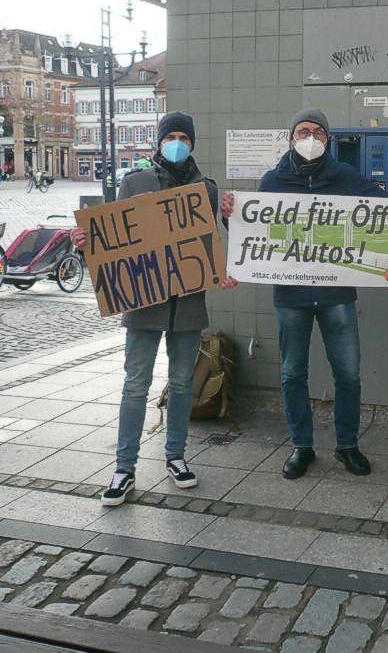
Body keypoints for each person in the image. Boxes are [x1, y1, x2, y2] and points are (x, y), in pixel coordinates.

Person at [70, 111, 237, 506]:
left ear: (192, 143)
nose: (176, 142)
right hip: (144, 302)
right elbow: (112, 238)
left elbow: (219, 238)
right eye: (170, 136)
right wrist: (84, 241)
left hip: (189, 303)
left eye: (183, 136)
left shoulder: (206, 190)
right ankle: (124, 468)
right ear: (159, 142)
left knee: (182, 384)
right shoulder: (135, 183)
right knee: (135, 385)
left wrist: (232, 218)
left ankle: (176, 456)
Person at [221, 109, 386, 480]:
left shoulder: (345, 177)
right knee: (292, 374)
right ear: (290, 138)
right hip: (291, 296)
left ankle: (347, 446)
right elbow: (252, 230)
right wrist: (228, 215)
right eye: (303, 131)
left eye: (317, 132)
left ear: (328, 139)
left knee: (349, 374)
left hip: (336, 295)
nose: (310, 137)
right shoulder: (272, 181)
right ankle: (301, 446)